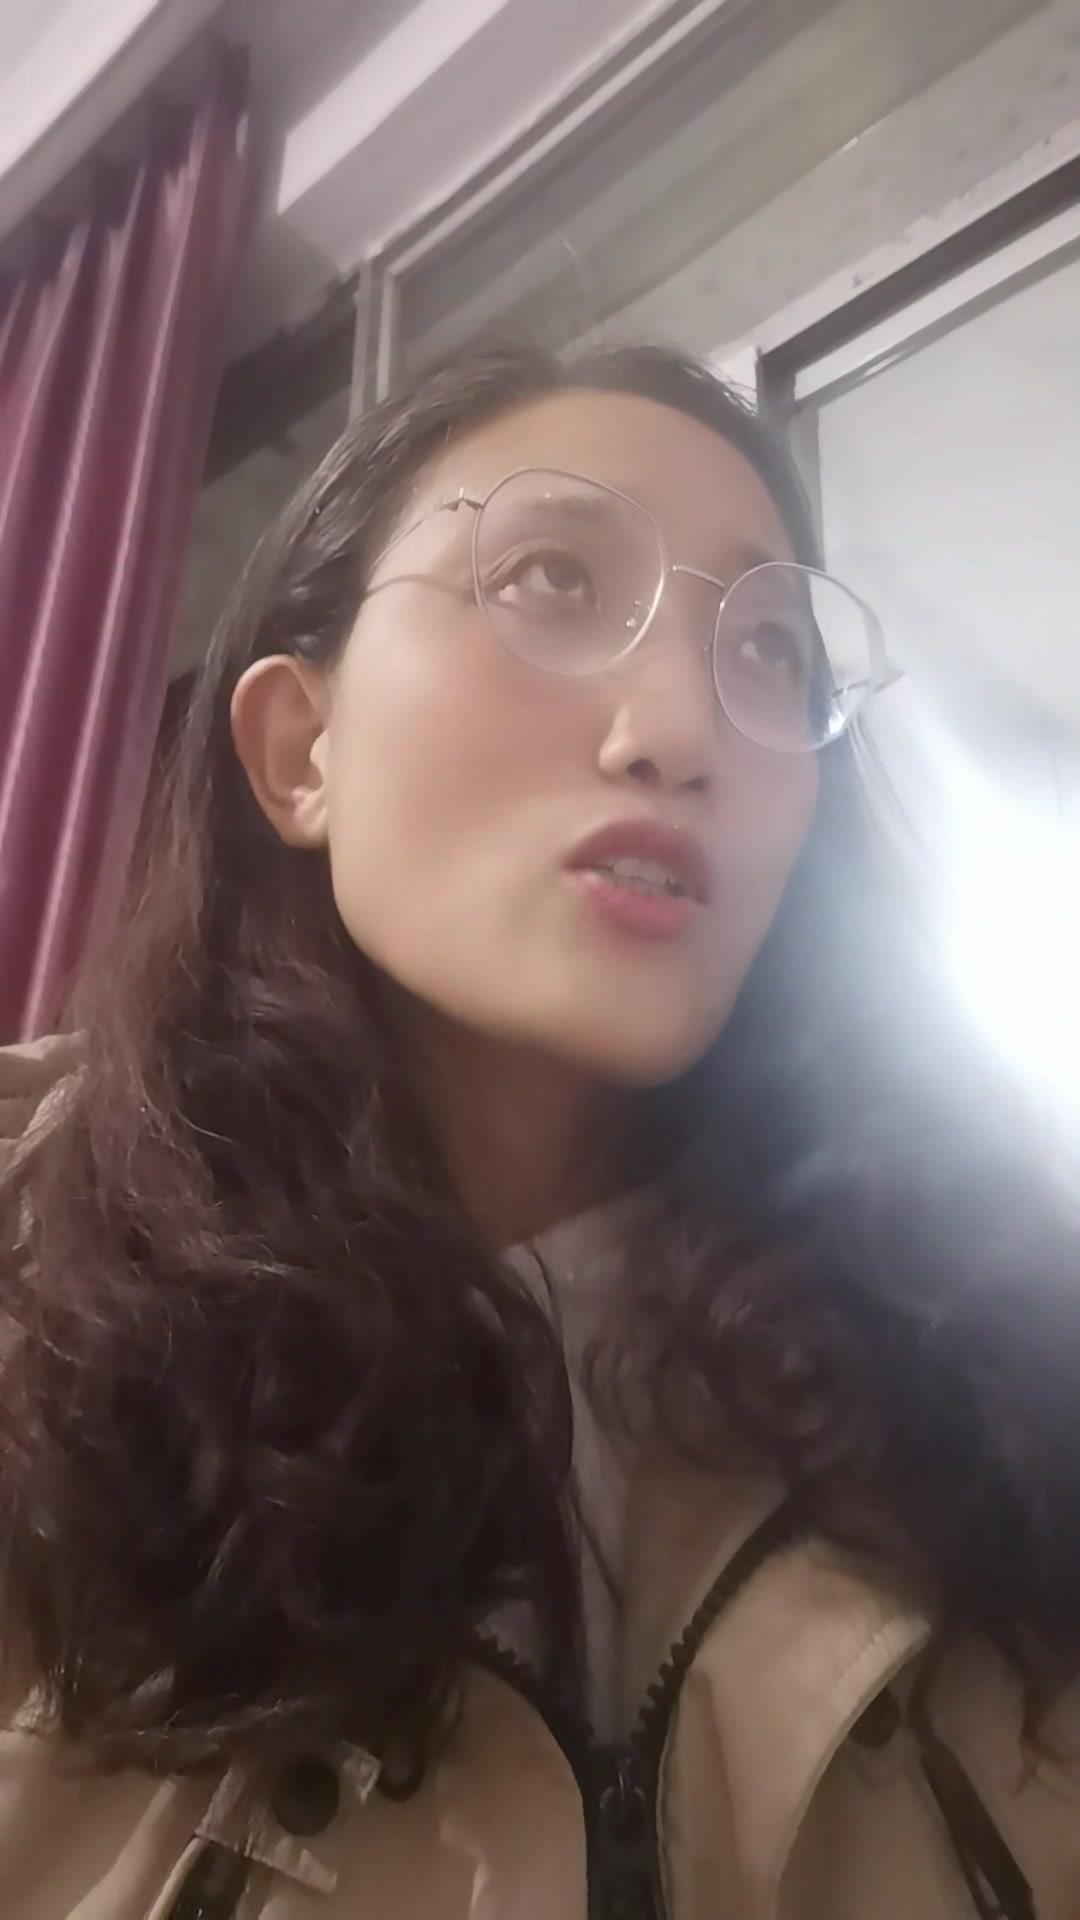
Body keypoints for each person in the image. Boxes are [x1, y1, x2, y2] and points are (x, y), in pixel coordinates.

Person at [1, 341, 1078, 1920]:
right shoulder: (35, 1287)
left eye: (769, 650)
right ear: (300, 749)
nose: (683, 726)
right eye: (552, 580)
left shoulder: (992, 1362)